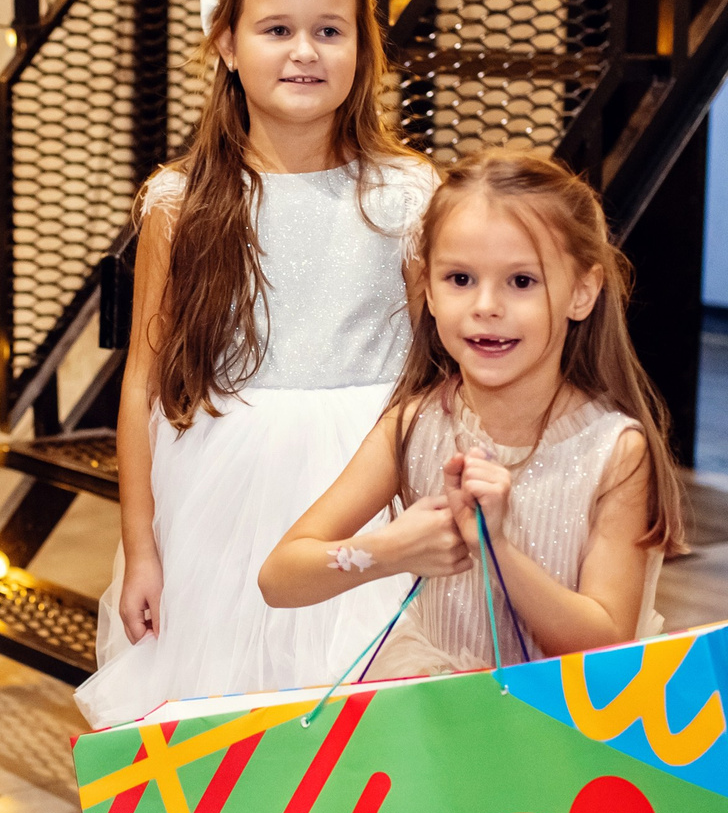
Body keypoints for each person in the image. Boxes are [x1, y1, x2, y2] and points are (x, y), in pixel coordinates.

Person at [74, 0, 437, 730]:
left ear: (362, 49)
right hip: (221, 493)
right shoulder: (181, 201)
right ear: (228, 45)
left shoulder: (409, 195)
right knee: (231, 719)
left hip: (369, 481)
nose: (304, 51)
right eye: (277, 30)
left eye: (329, 31)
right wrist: (142, 545)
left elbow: (435, 373)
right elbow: (142, 381)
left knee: (367, 713)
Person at [262, 151, 678, 698]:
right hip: (437, 705)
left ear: (583, 291)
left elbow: (605, 644)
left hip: (563, 718)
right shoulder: (414, 425)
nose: (485, 306)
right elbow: (280, 577)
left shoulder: (615, 451)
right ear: (428, 290)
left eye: (521, 281)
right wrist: (389, 551)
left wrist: (496, 550)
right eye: (460, 278)